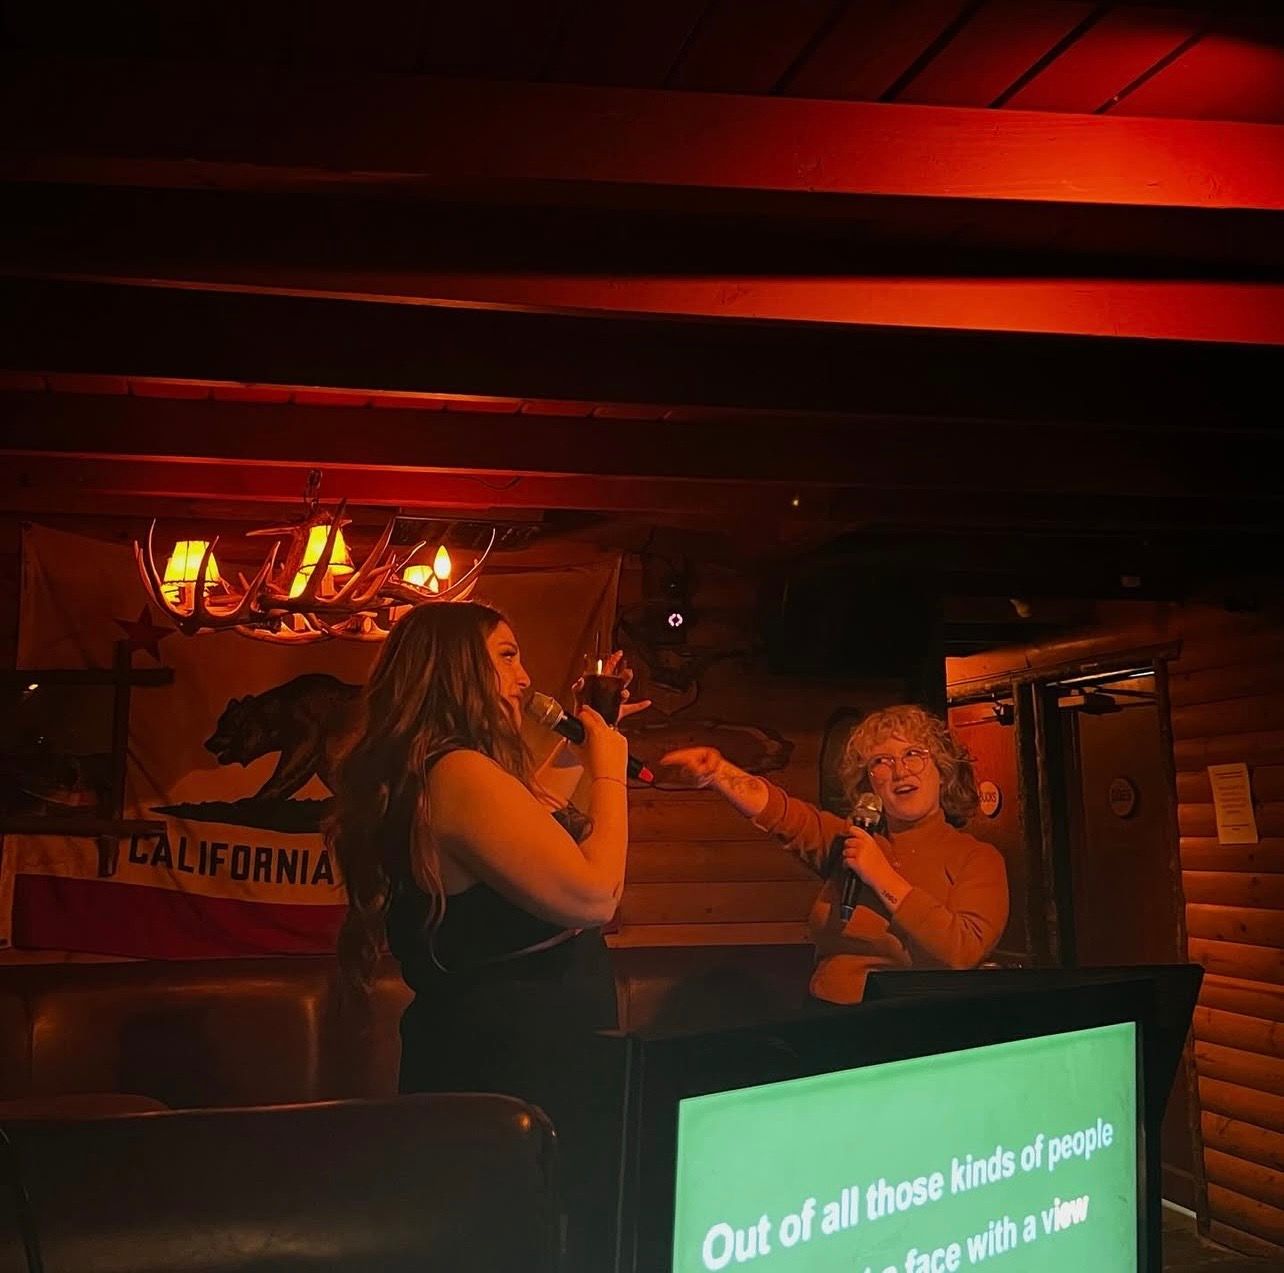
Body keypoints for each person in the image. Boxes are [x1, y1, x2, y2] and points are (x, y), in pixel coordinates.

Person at [327, 602, 642, 1270]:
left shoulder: (449, 771)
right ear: (454, 669)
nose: (525, 678)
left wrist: (585, 738)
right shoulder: (458, 773)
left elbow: (533, 829)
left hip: (506, 1051)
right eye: (506, 655)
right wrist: (611, 769)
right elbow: (591, 893)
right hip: (513, 1063)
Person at [660, 704, 1009, 1005]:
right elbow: (785, 815)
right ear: (870, 781)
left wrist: (881, 876)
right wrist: (719, 773)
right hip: (827, 1019)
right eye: (882, 761)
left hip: (915, 1028)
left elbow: (962, 951)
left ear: (943, 769)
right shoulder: (852, 839)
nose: (900, 770)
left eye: (914, 755)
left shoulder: (976, 858)